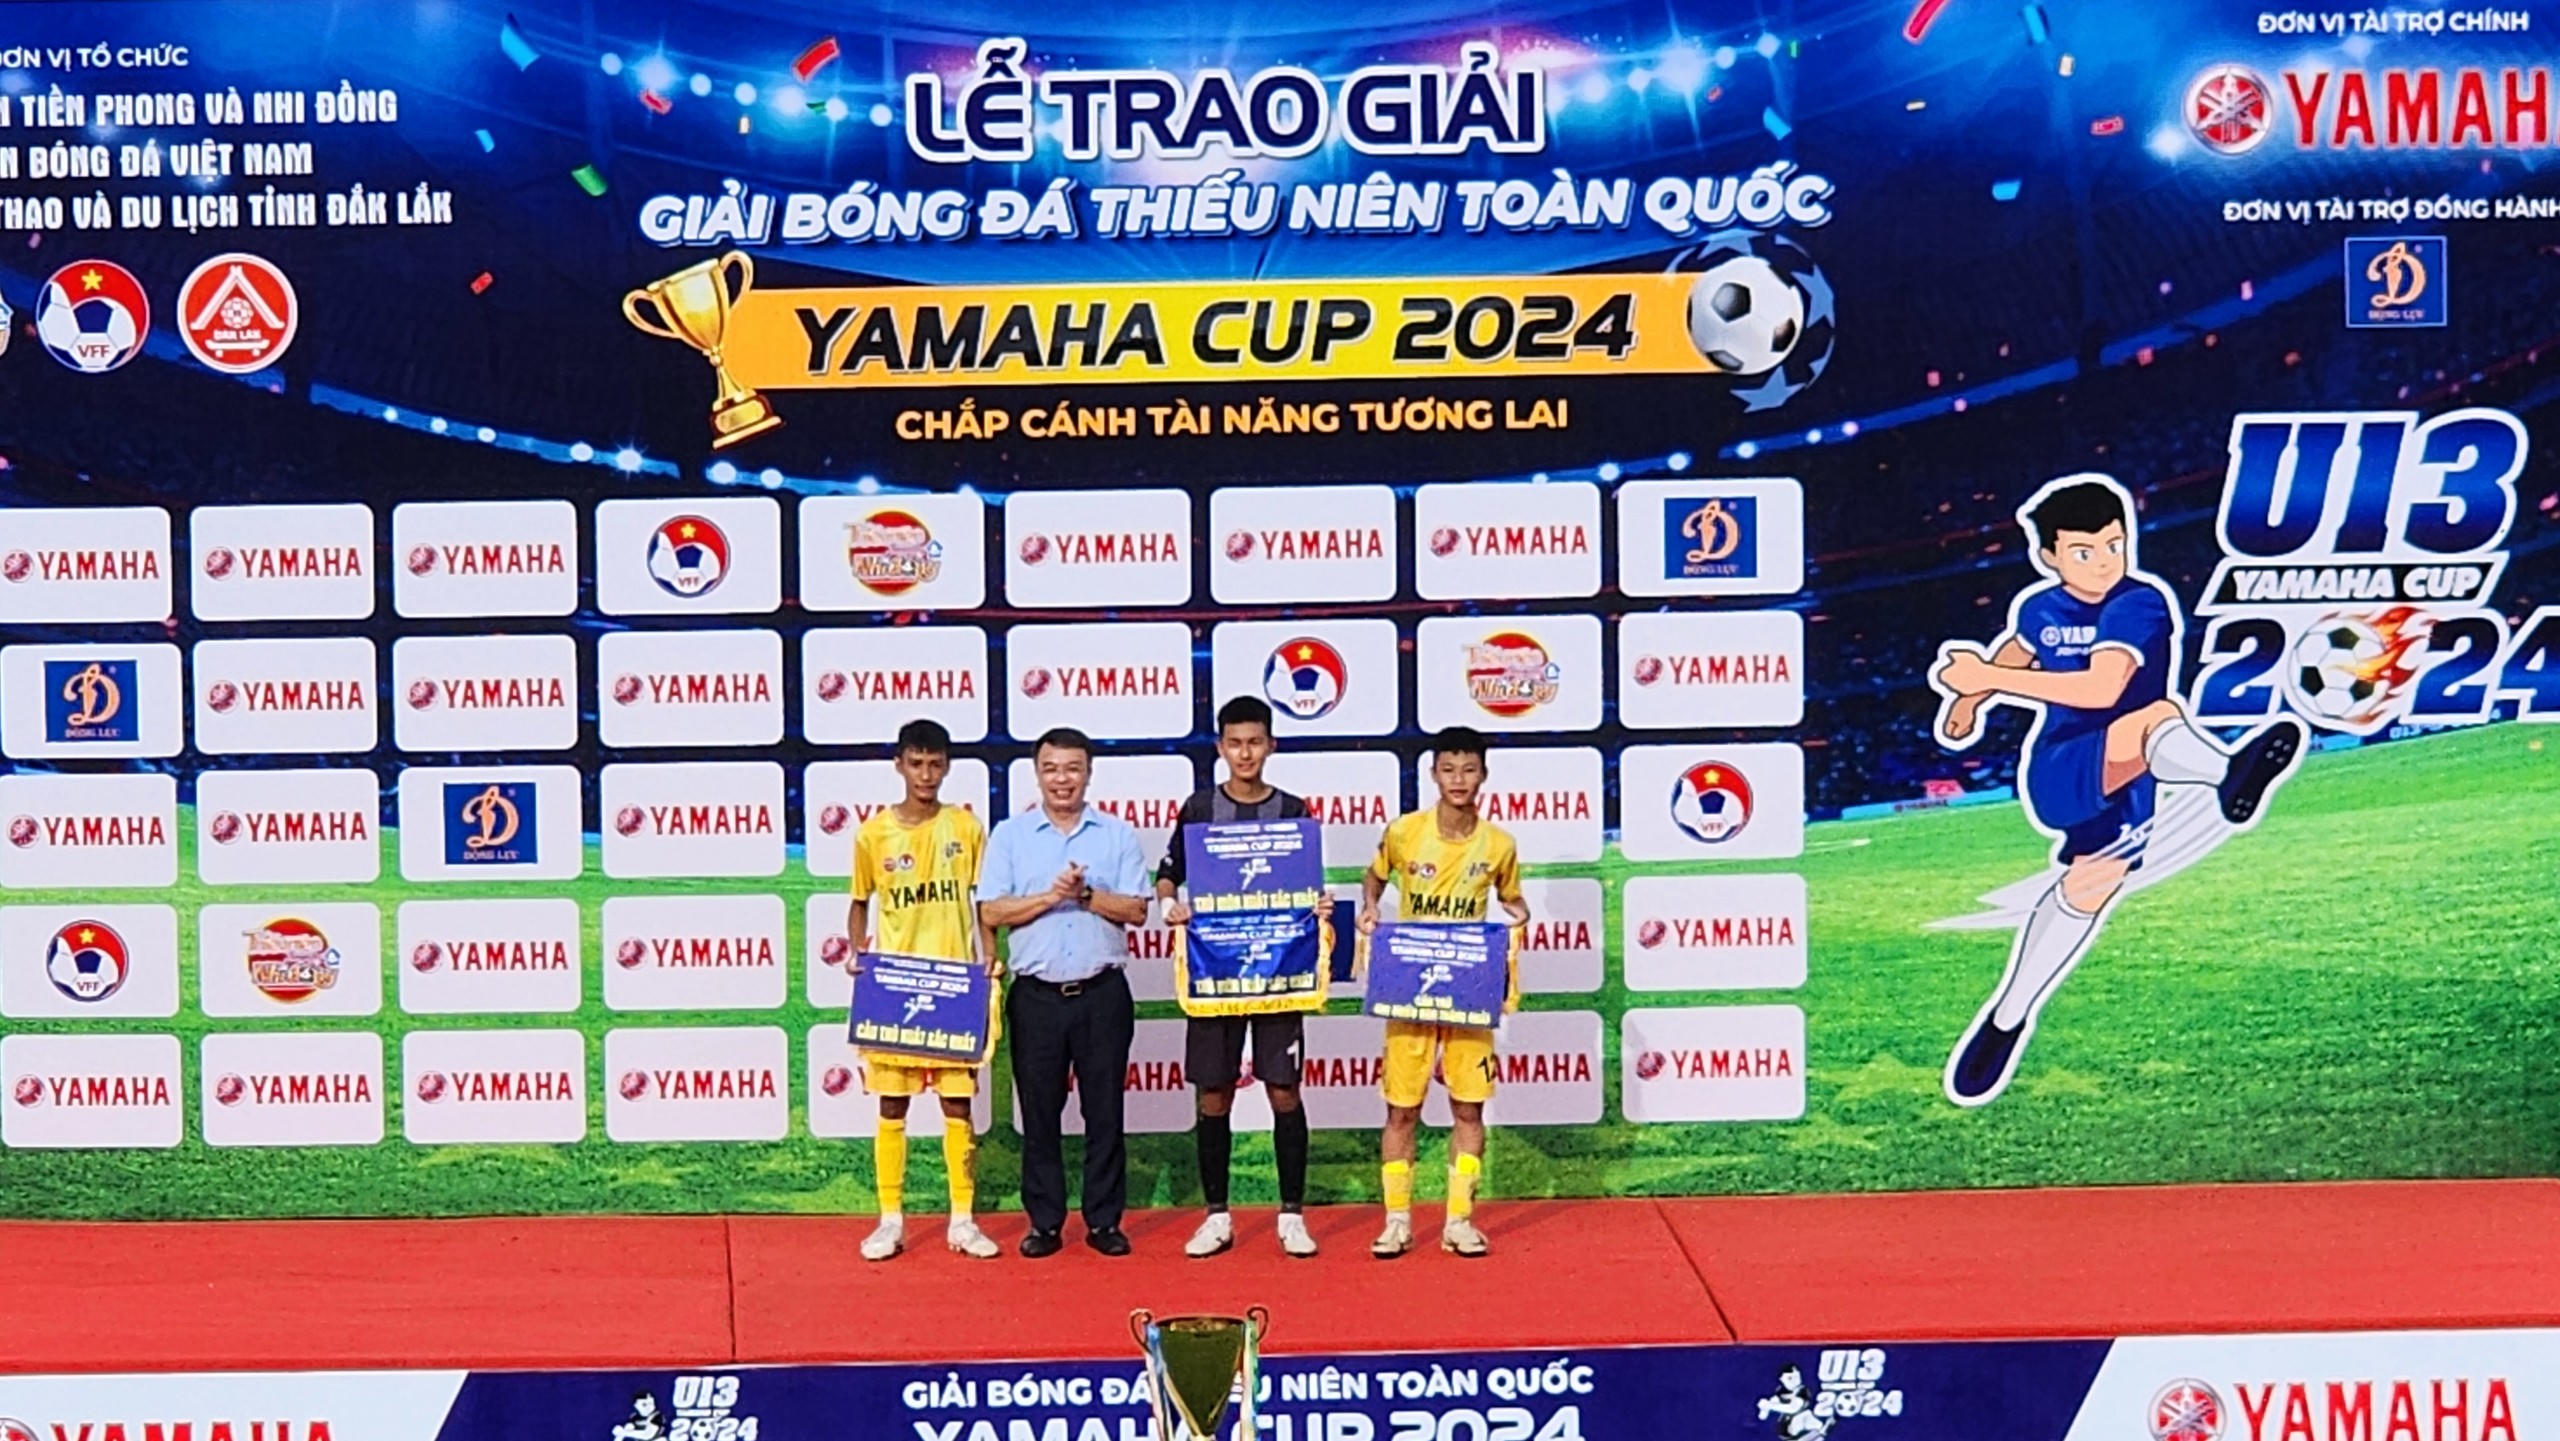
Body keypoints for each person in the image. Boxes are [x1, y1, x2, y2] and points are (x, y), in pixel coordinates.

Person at [1929, 474, 2304, 1106]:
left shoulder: (2140, 602)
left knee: (2089, 887)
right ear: (2049, 556)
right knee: (2157, 716)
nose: (2104, 561)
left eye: (2114, 544)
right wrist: (1970, 700)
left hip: (2132, 774)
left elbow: (2103, 687)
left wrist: (1984, 679)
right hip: (2064, 765)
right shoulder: (2040, 607)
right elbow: (2019, 650)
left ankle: (2006, 1019)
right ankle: (2227, 775)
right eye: (2084, 551)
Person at [1155, 695, 1322, 1260]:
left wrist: (1318, 908)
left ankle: (1292, 1215)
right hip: (1216, 972)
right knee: (1214, 1093)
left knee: (1284, 1090)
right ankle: (1217, 1216)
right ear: (1220, 747)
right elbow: (1168, 874)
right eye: (1235, 743)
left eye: (1254, 742)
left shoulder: (1293, 809)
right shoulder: (1199, 808)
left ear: (1270, 745)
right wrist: (1169, 906)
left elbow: (1306, 885)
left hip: (1278, 973)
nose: (1245, 753)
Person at [1356, 726, 1530, 1259]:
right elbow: (1373, 877)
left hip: (1469, 991)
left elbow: (1513, 900)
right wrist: (1370, 908)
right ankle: (1397, 1222)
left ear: (1483, 775)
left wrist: (1518, 916)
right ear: (1433, 774)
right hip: (1410, 988)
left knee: (1469, 1110)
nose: (1459, 780)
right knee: (1401, 1111)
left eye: (1469, 769)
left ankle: (1459, 1221)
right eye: (1449, 769)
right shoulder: (1405, 832)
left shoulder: (1499, 844)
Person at [979, 727, 1151, 1257]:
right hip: (1036, 997)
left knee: (1105, 1112)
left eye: (1072, 768)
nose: (1062, 779)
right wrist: (1051, 897)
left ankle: (1104, 1221)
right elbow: (992, 910)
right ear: (1037, 773)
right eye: (1051, 768)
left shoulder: (1117, 835)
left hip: (1102, 994)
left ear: (1088, 773)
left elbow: (1137, 910)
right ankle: (1045, 1222)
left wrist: (1087, 894)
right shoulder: (1011, 836)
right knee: (1039, 1112)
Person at [846, 719, 1001, 1261]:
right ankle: (890, 1219)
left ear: (948, 766)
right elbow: (859, 903)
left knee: (958, 1106)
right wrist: (857, 951)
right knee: (893, 1105)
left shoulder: (966, 827)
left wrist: (989, 956)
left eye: (935, 764)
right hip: (896, 989)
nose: (926, 774)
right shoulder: (873, 834)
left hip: (954, 987)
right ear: (899, 765)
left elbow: (984, 902)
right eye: (916, 763)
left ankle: (962, 1219)